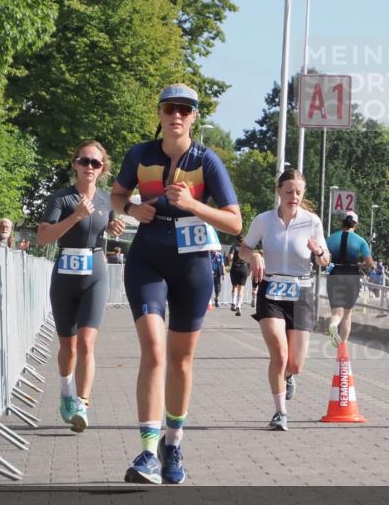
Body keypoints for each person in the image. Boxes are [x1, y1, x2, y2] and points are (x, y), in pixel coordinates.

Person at [111, 83, 241, 484]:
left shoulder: (207, 161)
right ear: (160, 113)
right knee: (153, 349)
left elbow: (235, 222)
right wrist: (133, 209)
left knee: (181, 359)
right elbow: (116, 195)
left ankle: (174, 444)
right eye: (170, 108)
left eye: (185, 109)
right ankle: (148, 452)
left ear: (194, 117)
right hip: (148, 256)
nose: (177, 115)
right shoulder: (140, 155)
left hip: (193, 263)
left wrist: (193, 205)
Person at [37, 141, 125, 433]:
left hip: (95, 272)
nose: (89, 167)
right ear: (74, 164)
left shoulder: (107, 200)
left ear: (103, 169)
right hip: (65, 274)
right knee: (69, 346)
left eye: (96, 163)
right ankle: (65, 392)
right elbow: (43, 237)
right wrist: (75, 216)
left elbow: (109, 225)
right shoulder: (61, 199)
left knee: (87, 343)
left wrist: (113, 227)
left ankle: (82, 404)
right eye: (84, 161)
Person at [242, 168, 330, 431]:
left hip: (301, 292)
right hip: (271, 290)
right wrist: (255, 256)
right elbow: (244, 249)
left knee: (295, 364)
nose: (294, 197)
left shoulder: (312, 221)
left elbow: (326, 260)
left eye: (299, 192)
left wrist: (319, 252)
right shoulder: (263, 220)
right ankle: (280, 413)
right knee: (279, 356)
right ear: (279, 191)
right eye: (289, 191)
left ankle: (289, 376)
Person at [325, 211, 375, 347]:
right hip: (352, 275)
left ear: (342, 222)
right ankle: (343, 346)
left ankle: (334, 324)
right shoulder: (360, 241)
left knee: (336, 312)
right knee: (347, 314)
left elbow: (324, 259)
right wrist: (360, 265)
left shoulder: (330, 239)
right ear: (356, 224)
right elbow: (370, 264)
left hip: (335, 274)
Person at [227, 234, 250, 315]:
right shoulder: (246, 247)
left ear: (237, 240)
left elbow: (230, 257)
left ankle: (233, 302)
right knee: (241, 288)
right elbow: (249, 258)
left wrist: (232, 259)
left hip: (235, 268)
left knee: (234, 286)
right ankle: (239, 306)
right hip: (243, 268)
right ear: (243, 240)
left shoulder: (233, 247)